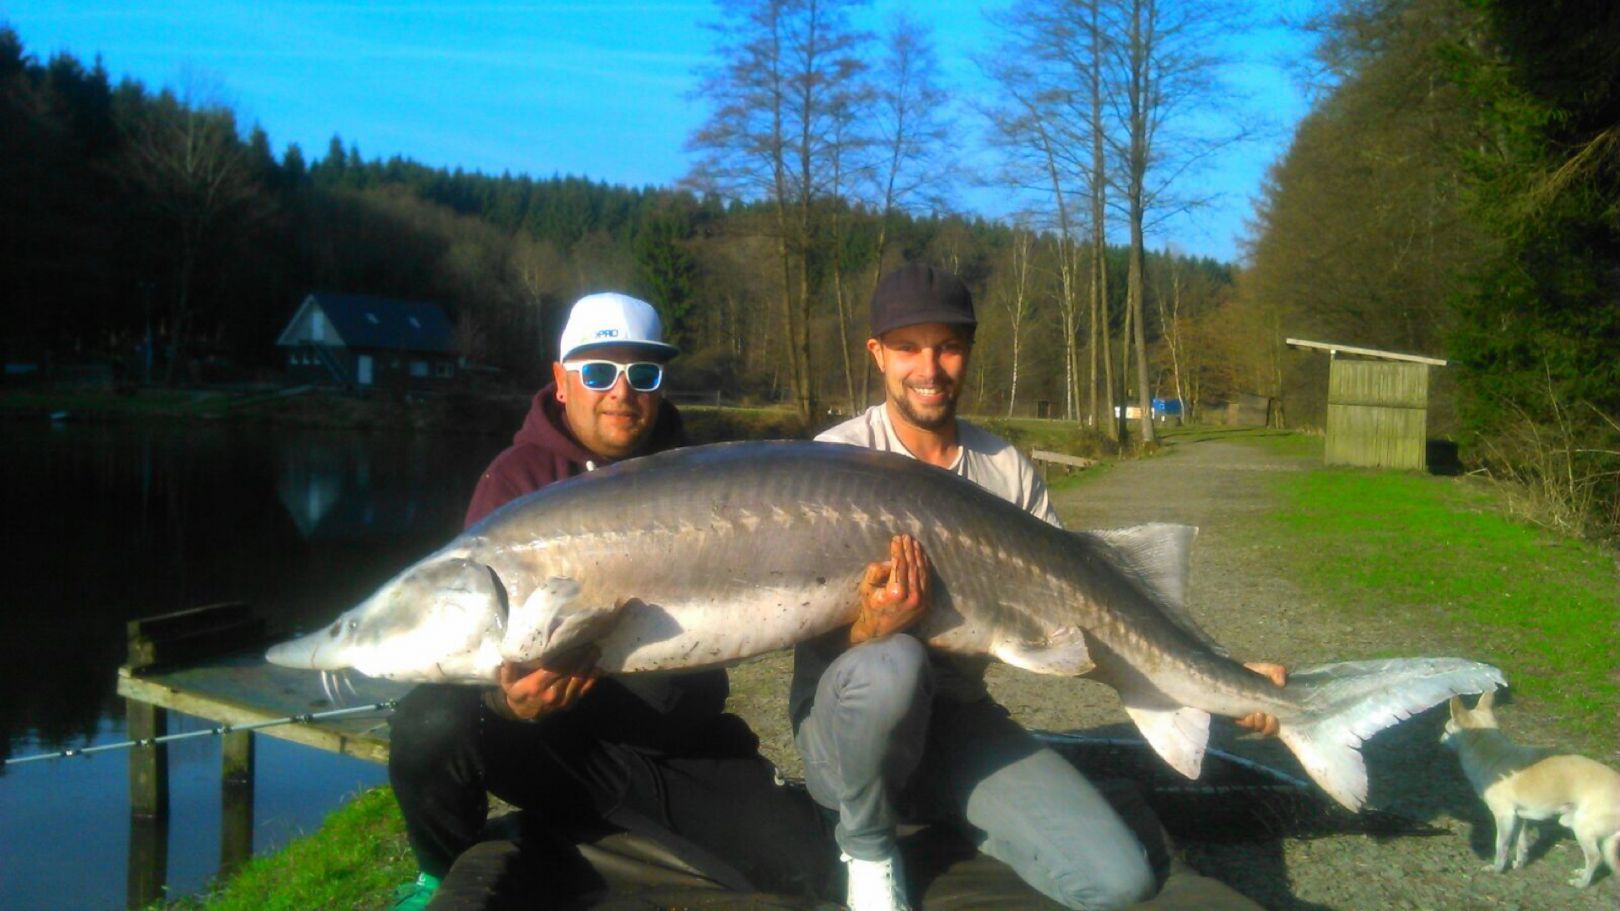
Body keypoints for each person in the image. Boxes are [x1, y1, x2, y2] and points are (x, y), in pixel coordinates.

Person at [791, 264, 1289, 911]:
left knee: (1119, 881)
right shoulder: (829, 462)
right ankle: (867, 847)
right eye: (908, 346)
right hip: (846, 731)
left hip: (956, 726)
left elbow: (1077, 624)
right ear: (877, 354)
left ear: (968, 351)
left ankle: (949, 808)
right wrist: (866, 629)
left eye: (947, 346)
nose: (929, 367)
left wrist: (1220, 677)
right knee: (893, 661)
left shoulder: (1005, 469)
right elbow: (784, 619)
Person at [388, 292, 845, 910]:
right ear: (562, 379)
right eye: (599, 372)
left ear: (660, 385)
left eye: (642, 373)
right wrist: (511, 703)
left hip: (676, 738)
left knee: (806, 867)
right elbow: (469, 641)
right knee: (428, 722)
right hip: (552, 738)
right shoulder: (514, 480)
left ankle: (609, 827)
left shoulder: (712, 475)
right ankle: (439, 872)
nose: (621, 393)